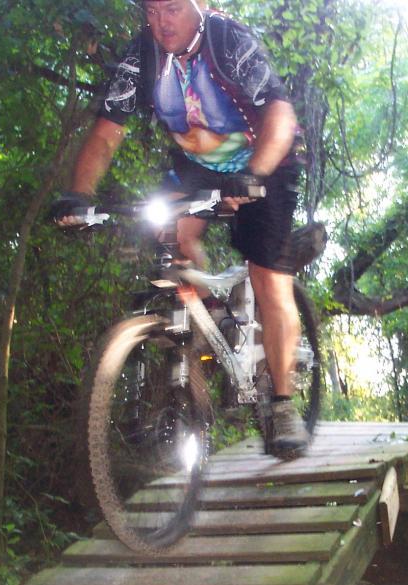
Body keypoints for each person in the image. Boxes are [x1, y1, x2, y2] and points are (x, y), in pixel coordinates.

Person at [52, 0, 309, 459]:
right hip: (198, 170)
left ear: (200, 5)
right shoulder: (142, 56)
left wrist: (254, 173)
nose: (160, 22)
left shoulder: (227, 39)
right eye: (151, 11)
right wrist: (80, 195)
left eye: (171, 9)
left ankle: (284, 401)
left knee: (269, 277)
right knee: (168, 232)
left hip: (267, 164)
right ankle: (216, 315)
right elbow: (108, 132)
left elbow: (280, 115)